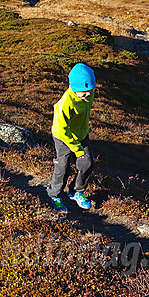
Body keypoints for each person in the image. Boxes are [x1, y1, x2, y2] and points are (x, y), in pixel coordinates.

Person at [47, 63, 97, 213]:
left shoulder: (88, 94)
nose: (88, 94)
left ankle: (76, 191)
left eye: (90, 91)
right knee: (63, 167)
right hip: (63, 138)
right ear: (74, 88)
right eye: (84, 92)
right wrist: (77, 149)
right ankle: (54, 195)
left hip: (81, 134)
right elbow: (61, 131)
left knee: (88, 163)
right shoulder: (64, 105)